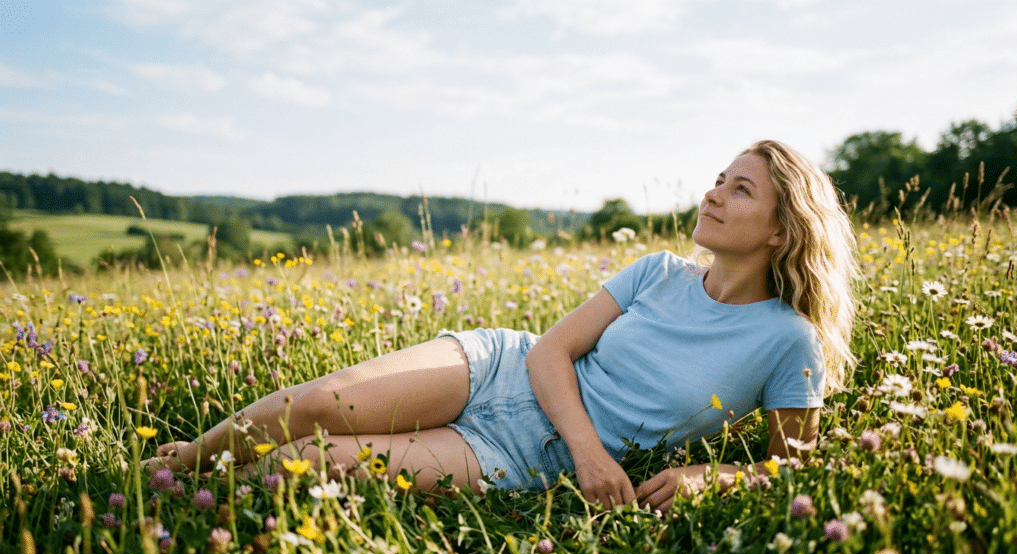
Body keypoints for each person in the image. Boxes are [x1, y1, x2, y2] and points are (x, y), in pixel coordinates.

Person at [144, 140, 857, 513]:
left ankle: (214, 494)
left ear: (781, 230)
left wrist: (711, 478)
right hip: (503, 369)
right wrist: (592, 454)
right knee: (319, 406)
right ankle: (188, 460)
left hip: (524, 452)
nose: (713, 192)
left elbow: (791, 467)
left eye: (741, 188)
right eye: (718, 177)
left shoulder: (787, 341)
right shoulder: (657, 271)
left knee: (311, 469)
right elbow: (552, 348)